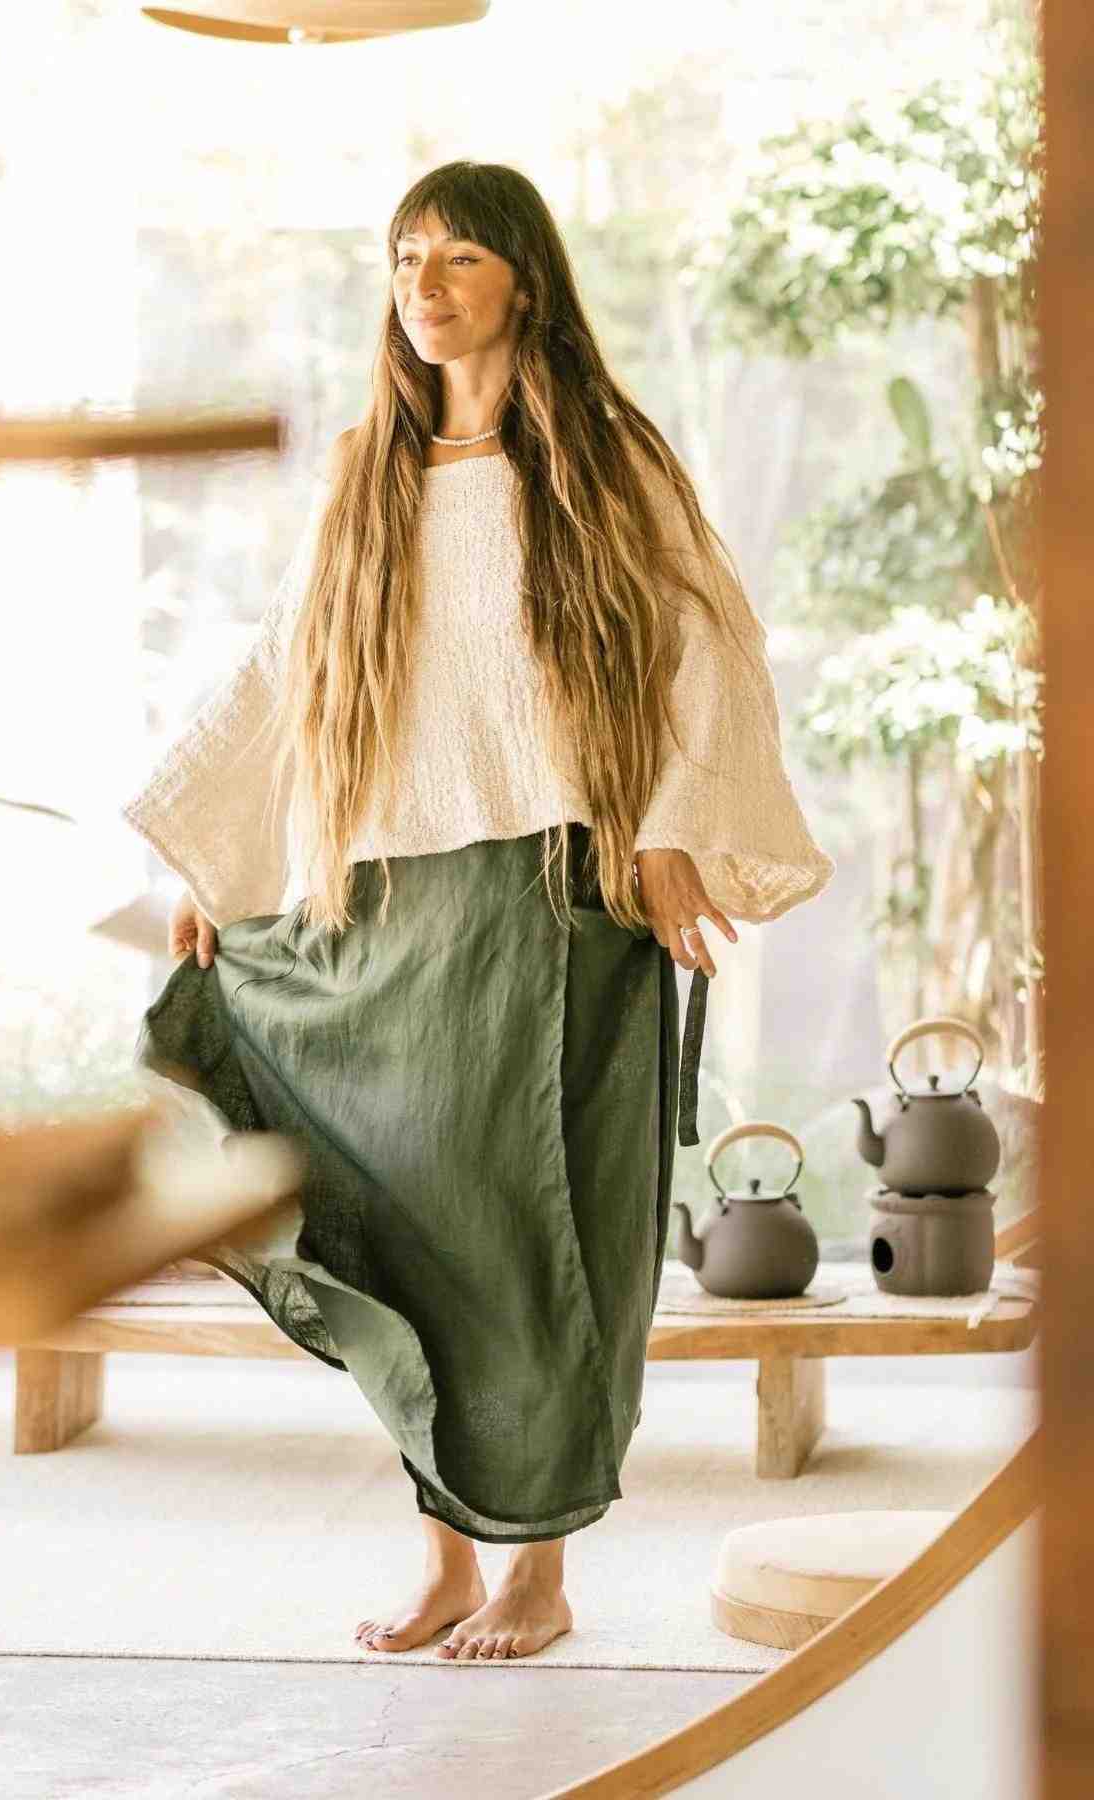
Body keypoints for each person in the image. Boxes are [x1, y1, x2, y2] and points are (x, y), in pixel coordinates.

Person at [119, 160, 835, 1664]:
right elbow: (281, 670)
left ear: (525, 274)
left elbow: (708, 642)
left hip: (554, 905)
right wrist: (214, 862)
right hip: (386, 909)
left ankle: (538, 1579)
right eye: (402, 260)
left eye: (455, 256)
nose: (423, 285)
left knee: (537, 1237)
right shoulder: (370, 469)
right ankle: (449, 1559)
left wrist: (667, 833)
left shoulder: (605, 461)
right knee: (396, 1233)